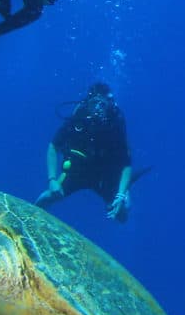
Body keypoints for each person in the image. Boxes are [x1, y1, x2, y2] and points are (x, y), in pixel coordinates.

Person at [37, 82, 137, 221]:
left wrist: (120, 194)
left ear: (109, 105)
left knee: (122, 213)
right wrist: (52, 179)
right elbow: (53, 147)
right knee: (47, 197)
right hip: (78, 170)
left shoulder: (114, 125)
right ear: (88, 102)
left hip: (105, 175)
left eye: (102, 104)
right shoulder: (78, 118)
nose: (97, 109)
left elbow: (126, 164)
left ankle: (124, 191)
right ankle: (26, 220)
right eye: (94, 103)